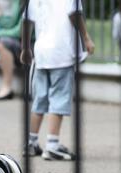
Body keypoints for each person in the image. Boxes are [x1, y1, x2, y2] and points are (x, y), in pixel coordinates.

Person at [21, 0, 95, 160]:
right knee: (59, 97)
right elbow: (74, 13)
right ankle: (52, 145)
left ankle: (31, 142)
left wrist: (25, 47)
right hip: (62, 52)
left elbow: (26, 20)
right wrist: (87, 38)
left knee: (39, 98)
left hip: (41, 54)